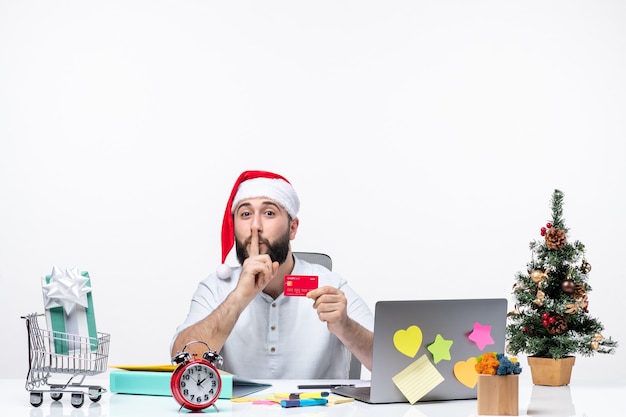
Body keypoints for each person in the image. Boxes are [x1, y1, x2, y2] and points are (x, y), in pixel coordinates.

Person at [170, 170, 374, 379]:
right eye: (245, 214)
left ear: (292, 228)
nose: (255, 226)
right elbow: (180, 359)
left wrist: (346, 325)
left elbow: (391, 366)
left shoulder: (331, 286)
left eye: (269, 213)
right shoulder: (215, 288)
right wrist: (239, 298)